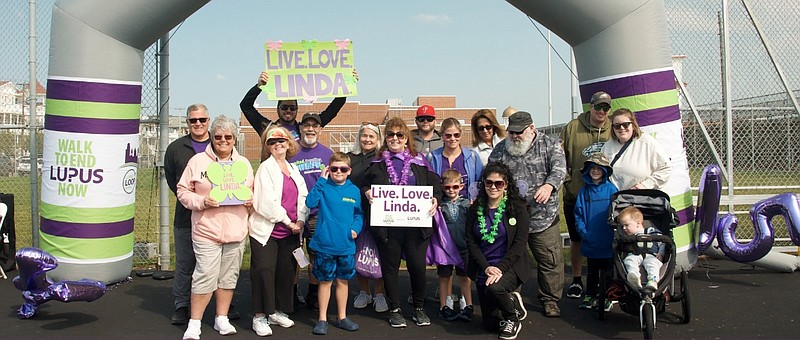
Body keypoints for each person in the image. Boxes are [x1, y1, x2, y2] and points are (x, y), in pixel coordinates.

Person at [177, 115, 254, 340]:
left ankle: (222, 318)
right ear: (212, 136)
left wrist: (250, 200)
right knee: (204, 276)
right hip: (206, 230)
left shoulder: (244, 164)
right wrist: (201, 202)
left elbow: (251, 191)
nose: (223, 140)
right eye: (218, 136)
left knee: (228, 278)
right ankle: (195, 323)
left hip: (236, 231)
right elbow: (183, 191)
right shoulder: (198, 161)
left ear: (234, 138)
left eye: (228, 137)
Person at [361, 116, 442, 328]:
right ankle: (395, 309)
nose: (395, 138)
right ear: (385, 138)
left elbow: (436, 184)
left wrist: (436, 199)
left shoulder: (420, 162)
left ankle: (418, 307)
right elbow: (362, 186)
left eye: (399, 134)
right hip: (388, 227)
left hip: (416, 226)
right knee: (390, 267)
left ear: (406, 138)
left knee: (417, 267)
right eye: (390, 134)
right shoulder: (377, 164)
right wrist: (367, 192)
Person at [164, 104, 239, 325]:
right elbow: (176, 184)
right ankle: (182, 305)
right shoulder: (176, 149)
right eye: (193, 120)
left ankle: (223, 307)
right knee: (187, 265)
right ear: (187, 123)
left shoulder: (223, 144)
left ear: (209, 120)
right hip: (187, 218)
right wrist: (198, 202)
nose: (198, 124)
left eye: (202, 120)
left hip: (222, 221)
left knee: (219, 268)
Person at [488, 111, 567, 318]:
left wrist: (550, 186)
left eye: (519, 132)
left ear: (532, 128)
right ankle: (512, 297)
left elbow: (559, 170)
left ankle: (550, 299)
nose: (515, 137)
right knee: (511, 259)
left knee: (549, 259)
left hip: (542, 216)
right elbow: (490, 173)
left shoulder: (550, 144)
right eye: (511, 132)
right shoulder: (500, 150)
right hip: (511, 216)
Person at [249, 127, 308, 337]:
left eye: (281, 140)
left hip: (291, 231)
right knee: (264, 271)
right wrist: (287, 221)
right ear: (267, 146)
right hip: (268, 231)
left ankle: (277, 311)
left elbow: (303, 197)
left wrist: (300, 219)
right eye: (272, 142)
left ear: (289, 143)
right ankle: (259, 316)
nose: (277, 144)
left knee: (285, 272)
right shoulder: (266, 168)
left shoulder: (293, 169)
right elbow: (266, 202)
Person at [465, 162, 531, 340]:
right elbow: (471, 242)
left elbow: (519, 245)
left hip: (510, 266)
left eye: (498, 183)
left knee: (494, 288)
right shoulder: (475, 209)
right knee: (490, 325)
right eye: (489, 183)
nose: (493, 187)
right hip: (485, 266)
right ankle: (511, 302)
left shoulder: (517, 208)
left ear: (506, 185)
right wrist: (486, 267)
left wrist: (500, 269)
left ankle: (512, 317)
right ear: (483, 184)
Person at [560, 91, 613, 300]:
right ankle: (576, 279)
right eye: (598, 107)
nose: (601, 112)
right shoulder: (573, 128)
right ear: (590, 107)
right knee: (577, 238)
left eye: (606, 108)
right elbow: (559, 157)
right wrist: (568, 180)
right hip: (577, 195)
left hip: (604, 196)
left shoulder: (614, 128)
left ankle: (609, 281)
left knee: (607, 236)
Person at [306, 152, 364, 335]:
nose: (338, 172)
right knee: (325, 282)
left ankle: (342, 317)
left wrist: (355, 228)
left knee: (343, 281)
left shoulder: (354, 190)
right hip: (325, 245)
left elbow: (358, 213)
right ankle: (322, 319)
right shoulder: (323, 186)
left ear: (349, 171)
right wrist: (321, 181)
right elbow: (310, 202)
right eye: (334, 168)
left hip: (346, 245)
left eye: (343, 169)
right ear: (328, 169)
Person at [291, 112, 334, 310]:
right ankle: (291, 292)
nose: (310, 129)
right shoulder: (291, 151)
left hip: (318, 214)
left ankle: (313, 293)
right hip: (295, 214)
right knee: (293, 255)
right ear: (300, 128)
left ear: (320, 129)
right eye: (306, 125)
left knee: (315, 256)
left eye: (314, 125)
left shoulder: (327, 153)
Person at [347, 122, 389, 313]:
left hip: (378, 213)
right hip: (355, 213)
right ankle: (364, 291)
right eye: (364, 136)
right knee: (359, 254)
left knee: (379, 254)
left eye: (372, 136)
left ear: (378, 139)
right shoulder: (351, 158)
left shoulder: (384, 158)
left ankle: (379, 294)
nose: (367, 139)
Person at [239, 71, 350, 139]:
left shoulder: (305, 128)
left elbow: (334, 108)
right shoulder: (267, 128)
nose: (288, 111)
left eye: (292, 108)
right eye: (284, 107)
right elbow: (245, 106)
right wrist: (259, 86)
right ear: (277, 109)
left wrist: (347, 83)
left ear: (297, 110)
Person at [573, 153, 618, 311]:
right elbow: (578, 214)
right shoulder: (584, 192)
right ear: (587, 171)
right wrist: (583, 232)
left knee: (608, 272)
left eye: (599, 168)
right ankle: (590, 294)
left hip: (608, 238)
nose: (596, 171)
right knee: (592, 271)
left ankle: (607, 296)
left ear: (605, 170)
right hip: (591, 238)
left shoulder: (612, 190)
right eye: (593, 168)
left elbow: (617, 212)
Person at [601, 108, 671, 190]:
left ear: (633, 125)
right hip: (618, 199)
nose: (622, 128)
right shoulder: (607, 147)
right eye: (617, 125)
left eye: (626, 124)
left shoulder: (647, 143)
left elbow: (666, 168)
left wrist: (646, 185)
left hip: (644, 198)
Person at [436, 169, 474, 321]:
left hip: (464, 247)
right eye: (447, 187)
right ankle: (444, 305)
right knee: (444, 276)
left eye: (455, 187)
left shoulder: (467, 205)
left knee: (464, 277)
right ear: (442, 188)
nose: (451, 190)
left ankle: (468, 305)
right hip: (446, 248)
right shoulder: (440, 206)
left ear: (461, 186)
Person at [427, 117, 483, 201]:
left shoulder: (472, 157)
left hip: (466, 208)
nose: (453, 139)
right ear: (442, 136)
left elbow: (479, 183)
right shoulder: (432, 157)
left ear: (461, 134)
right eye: (448, 135)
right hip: (440, 208)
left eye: (456, 135)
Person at [619, 206, 665, 290]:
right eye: (622, 226)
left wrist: (661, 253)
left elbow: (662, 243)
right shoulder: (627, 237)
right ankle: (634, 278)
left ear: (638, 223)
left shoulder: (651, 231)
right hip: (635, 254)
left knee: (652, 264)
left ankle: (653, 280)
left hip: (651, 255)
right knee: (629, 260)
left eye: (626, 225)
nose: (624, 228)